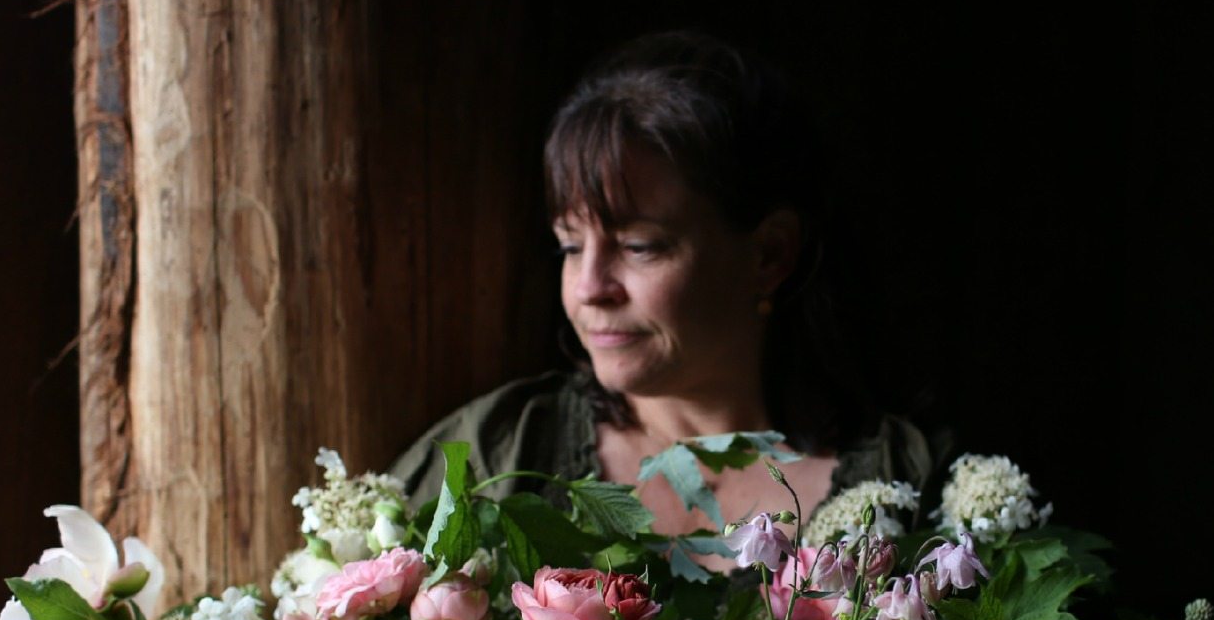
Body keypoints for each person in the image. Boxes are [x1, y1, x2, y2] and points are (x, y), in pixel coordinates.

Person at [390, 31, 947, 553]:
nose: (589, 288)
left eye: (640, 246)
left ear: (769, 255)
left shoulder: (906, 490)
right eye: (571, 245)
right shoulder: (498, 456)